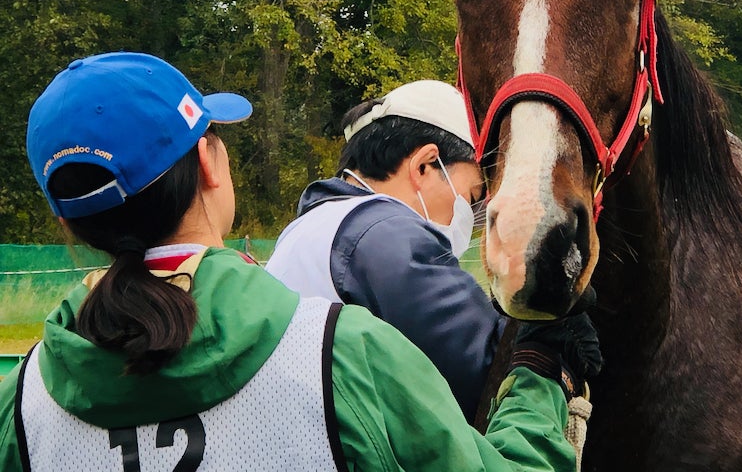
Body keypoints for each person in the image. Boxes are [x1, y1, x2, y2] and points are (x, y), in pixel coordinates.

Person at [0, 52, 600, 471]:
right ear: (209, 163)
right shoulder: (346, 353)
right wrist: (538, 366)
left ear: (67, 223)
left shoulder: (21, 402)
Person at [265, 80, 504, 421]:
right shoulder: (382, 235)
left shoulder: (310, 227)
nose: (471, 215)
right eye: (472, 197)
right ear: (424, 166)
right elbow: (486, 368)